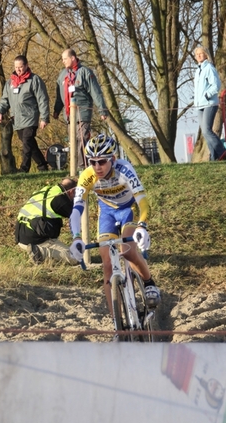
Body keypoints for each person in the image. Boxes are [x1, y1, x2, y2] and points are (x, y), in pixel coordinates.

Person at [68, 134, 160, 315]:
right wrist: (76, 237)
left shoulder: (125, 169)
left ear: (113, 159)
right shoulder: (87, 176)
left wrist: (142, 225)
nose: (96, 167)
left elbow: (143, 201)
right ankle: (117, 324)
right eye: (92, 162)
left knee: (127, 250)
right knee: (107, 265)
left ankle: (149, 283)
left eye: (101, 161)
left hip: (126, 210)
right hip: (107, 213)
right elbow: (77, 210)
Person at [53, 48, 108, 170]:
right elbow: (59, 96)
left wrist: (102, 110)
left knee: (82, 139)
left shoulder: (85, 72)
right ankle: (74, 167)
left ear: (73, 58)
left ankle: (82, 167)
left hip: (82, 112)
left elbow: (96, 92)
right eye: (62, 59)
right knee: (73, 141)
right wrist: (56, 110)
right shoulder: (62, 75)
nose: (63, 61)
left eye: (65, 59)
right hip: (69, 115)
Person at [0, 55, 49, 173]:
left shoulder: (34, 80)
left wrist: (44, 118)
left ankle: (24, 168)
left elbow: (42, 99)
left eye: (21, 67)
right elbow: (5, 100)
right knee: (30, 143)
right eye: (16, 67)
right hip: (17, 119)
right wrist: (0, 111)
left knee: (27, 142)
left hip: (30, 117)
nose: (18, 70)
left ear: (26, 65)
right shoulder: (10, 82)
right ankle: (42, 166)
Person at [15, 177, 78, 264]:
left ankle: (38, 250)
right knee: (75, 257)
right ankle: (40, 252)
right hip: (36, 239)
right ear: (71, 192)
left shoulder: (46, 189)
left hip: (20, 236)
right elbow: (76, 215)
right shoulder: (60, 200)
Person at [193, 46, 226, 161]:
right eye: (197, 54)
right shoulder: (198, 70)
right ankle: (214, 156)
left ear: (206, 55)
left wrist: (207, 95)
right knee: (205, 132)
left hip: (209, 103)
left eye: (201, 54)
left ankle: (223, 153)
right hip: (199, 105)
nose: (199, 56)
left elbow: (216, 85)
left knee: (207, 130)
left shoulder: (209, 68)